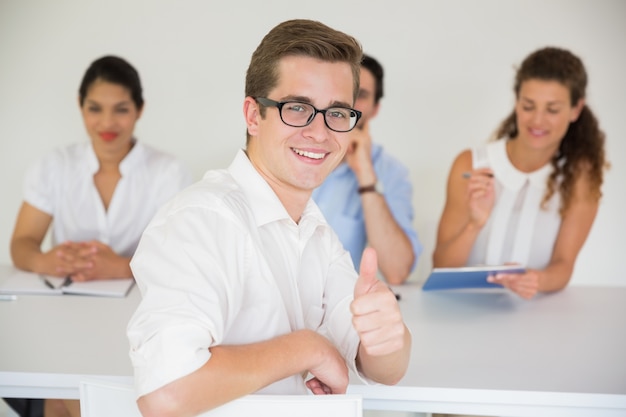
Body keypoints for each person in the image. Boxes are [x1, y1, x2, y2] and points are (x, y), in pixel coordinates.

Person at [127, 19, 411, 417]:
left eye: (338, 113)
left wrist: (389, 336)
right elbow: (166, 396)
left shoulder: (314, 230)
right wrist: (306, 347)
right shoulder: (202, 219)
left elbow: (385, 370)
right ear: (253, 115)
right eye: (298, 108)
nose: (320, 132)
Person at [6, 55, 193, 417]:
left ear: (139, 110)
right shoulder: (54, 166)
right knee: (64, 390)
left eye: (121, 109)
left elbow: (181, 259)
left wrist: (123, 266)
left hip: (138, 317)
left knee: (79, 394)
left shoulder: (167, 172)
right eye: (95, 108)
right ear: (80, 107)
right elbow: (21, 244)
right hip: (64, 314)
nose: (107, 123)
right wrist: (50, 259)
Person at [432, 46, 607, 300]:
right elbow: (441, 267)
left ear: (576, 110)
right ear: (516, 101)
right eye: (528, 105)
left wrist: (535, 280)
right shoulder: (470, 164)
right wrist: (475, 224)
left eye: (553, 109)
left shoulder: (581, 179)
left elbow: (563, 264)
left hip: (533, 319)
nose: (537, 120)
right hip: (462, 313)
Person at [312, 54, 421, 285]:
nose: (348, 103)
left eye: (360, 95)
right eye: (342, 90)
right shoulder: (293, 150)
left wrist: (366, 176)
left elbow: (397, 271)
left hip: (340, 309)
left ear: (375, 109)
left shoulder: (391, 172)